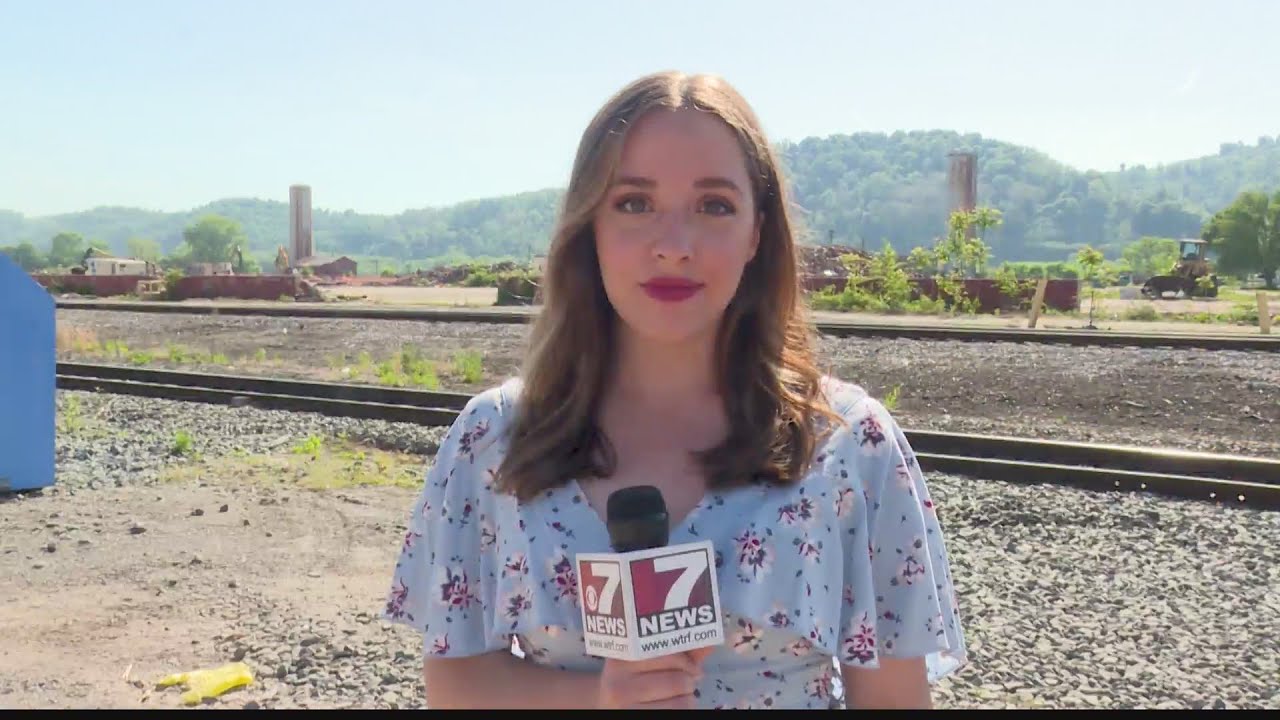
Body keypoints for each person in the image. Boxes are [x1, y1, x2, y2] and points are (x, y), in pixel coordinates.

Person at [381, 70, 967, 710]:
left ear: (756, 234)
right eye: (634, 203)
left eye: (714, 205)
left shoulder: (851, 445)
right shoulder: (493, 437)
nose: (673, 246)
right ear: (589, 227)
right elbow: (458, 687)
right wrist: (601, 700)